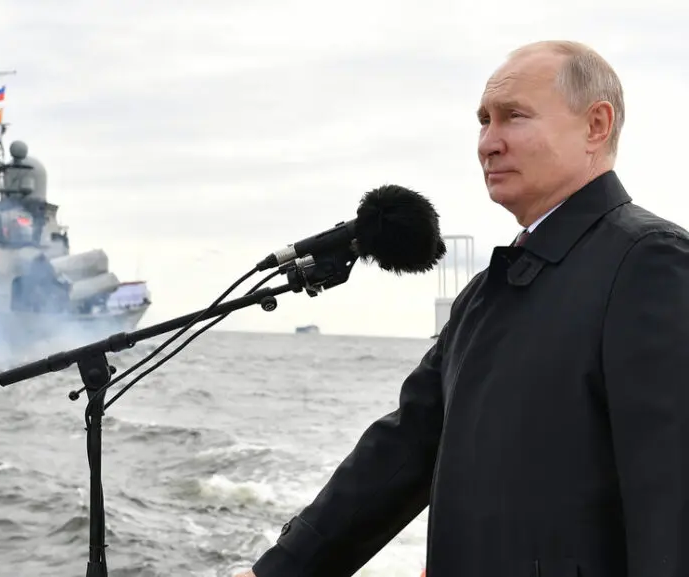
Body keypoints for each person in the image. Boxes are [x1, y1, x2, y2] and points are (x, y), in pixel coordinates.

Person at [236, 40, 689, 577]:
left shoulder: (649, 262)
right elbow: (402, 450)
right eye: (483, 121)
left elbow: (672, 499)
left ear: (596, 125)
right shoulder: (484, 293)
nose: (488, 143)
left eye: (514, 116)